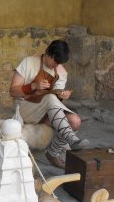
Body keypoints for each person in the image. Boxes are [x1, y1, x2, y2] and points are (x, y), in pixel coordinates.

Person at [9, 39, 89, 169]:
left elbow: (55, 101)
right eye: (55, 62)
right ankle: (72, 139)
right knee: (50, 97)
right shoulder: (28, 62)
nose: (56, 66)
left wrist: (62, 96)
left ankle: (53, 153)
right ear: (49, 54)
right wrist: (33, 86)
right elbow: (13, 91)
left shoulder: (61, 71)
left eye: (59, 63)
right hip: (26, 109)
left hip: (48, 112)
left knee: (75, 121)